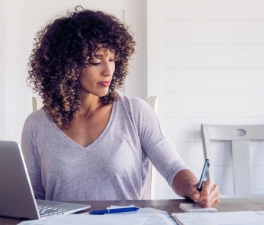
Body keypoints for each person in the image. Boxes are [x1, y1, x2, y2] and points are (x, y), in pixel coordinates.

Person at [21, 6, 220, 207]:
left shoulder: (135, 112)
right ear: (67, 66)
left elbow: (173, 168)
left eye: (112, 59)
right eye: (96, 61)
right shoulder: (37, 125)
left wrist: (195, 188)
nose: (108, 71)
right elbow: (34, 197)